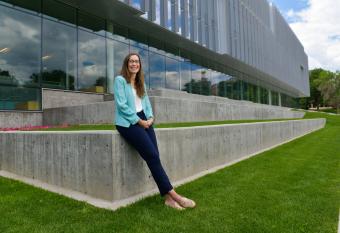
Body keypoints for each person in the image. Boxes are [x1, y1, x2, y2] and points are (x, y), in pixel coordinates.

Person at [113, 53, 196, 210]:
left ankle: (168, 199)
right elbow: (122, 106)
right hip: (127, 122)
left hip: (144, 119)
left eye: (136, 61)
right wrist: (139, 121)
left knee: (154, 156)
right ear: (126, 64)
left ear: (140, 65)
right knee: (151, 155)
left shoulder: (140, 83)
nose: (134, 64)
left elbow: (146, 102)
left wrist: (150, 118)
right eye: (131, 61)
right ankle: (175, 196)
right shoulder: (120, 80)